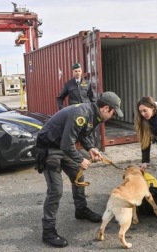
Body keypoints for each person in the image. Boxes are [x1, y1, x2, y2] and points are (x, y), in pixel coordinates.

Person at [36, 91, 123, 248]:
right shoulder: (82, 113)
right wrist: (80, 159)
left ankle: (81, 210)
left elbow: (82, 133)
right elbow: (66, 144)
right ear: (106, 108)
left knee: (78, 176)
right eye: (113, 112)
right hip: (49, 147)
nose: (114, 116)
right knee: (56, 190)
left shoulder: (94, 114)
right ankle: (48, 232)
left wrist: (91, 148)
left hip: (62, 146)